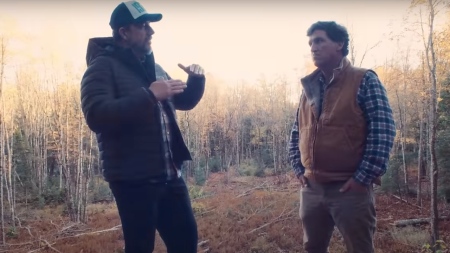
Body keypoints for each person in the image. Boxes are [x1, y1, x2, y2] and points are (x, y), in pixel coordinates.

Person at [80, 1, 205, 252]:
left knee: (186, 244)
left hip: (170, 176)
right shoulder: (101, 67)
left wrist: (197, 80)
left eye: (150, 26)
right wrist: (149, 95)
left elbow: (183, 101)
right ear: (124, 32)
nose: (151, 32)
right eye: (143, 26)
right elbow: (96, 115)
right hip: (133, 181)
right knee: (140, 248)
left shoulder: (155, 68)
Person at [288, 21, 396, 253]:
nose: (313, 47)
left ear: (340, 43)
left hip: (350, 188)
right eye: (310, 43)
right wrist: (299, 169)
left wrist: (361, 178)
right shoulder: (309, 86)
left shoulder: (364, 79)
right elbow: (297, 131)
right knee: (312, 248)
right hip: (312, 189)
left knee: (360, 248)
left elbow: (383, 131)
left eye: (319, 40)